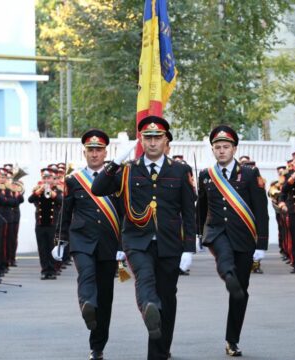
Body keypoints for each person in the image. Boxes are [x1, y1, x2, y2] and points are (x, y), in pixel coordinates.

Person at [92, 115, 196, 360]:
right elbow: (98, 189)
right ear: (141, 140)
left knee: (168, 297)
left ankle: (160, 349)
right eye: (147, 138)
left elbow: (189, 212)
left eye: (157, 138)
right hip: (137, 241)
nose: (152, 143)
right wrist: (115, 161)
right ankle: (149, 307)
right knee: (145, 279)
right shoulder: (128, 170)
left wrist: (189, 248)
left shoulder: (180, 170)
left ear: (166, 140)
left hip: (170, 244)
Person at [196, 125, 269, 356]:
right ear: (213, 150)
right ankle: (227, 274)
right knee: (224, 258)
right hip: (217, 232)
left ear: (234, 148)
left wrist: (262, 244)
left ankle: (232, 340)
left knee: (241, 292)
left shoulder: (249, 174)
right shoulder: (206, 175)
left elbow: (261, 209)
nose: (221, 151)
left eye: (226, 147)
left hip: (244, 237)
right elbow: (203, 206)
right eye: (217, 147)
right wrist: (200, 233)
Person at [60, 129, 122, 360]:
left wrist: (123, 245)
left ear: (106, 152)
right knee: (85, 275)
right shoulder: (73, 179)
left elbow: (124, 212)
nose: (94, 154)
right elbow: (65, 212)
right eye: (90, 150)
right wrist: (61, 240)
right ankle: (86, 304)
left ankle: (97, 347)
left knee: (105, 295)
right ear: (84, 152)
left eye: (98, 150)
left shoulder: (117, 178)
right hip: (82, 239)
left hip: (109, 241)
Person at [28, 169, 62, 280]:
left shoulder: (58, 190)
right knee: (42, 248)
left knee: (52, 247)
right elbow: (30, 199)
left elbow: (62, 201)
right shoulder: (37, 190)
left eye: (49, 178)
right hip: (40, 223)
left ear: (53, 179)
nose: (47, 180)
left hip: (53, 224)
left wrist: (52, 193)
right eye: (45, 178)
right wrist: (39, 191)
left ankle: (52, 270)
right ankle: (44, 270)